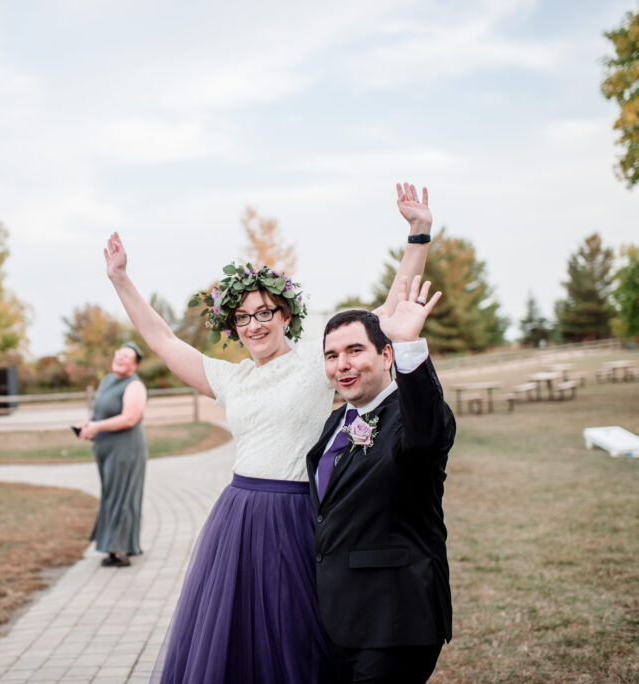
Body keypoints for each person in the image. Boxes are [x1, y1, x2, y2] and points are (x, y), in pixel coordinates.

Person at [102, 183, 433, 682]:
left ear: (284, 315)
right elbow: (161, 338)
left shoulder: (312, 364)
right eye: (242, 318)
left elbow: (388, 314)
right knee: (235, 643)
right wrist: (121, 279)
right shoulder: (228, 378)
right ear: (232, 328)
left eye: (264, 313)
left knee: (294, 637)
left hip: (299, 516)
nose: (253, 325)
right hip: (237, 518)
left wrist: (418, 235)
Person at [306, 276, 455, 683]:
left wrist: (410, 345)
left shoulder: (412, 419)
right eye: (332, 355)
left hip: (395, 618)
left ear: (386, 355)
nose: (343, 364)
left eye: (355, 350)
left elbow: (426, 430)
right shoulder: (337, 422)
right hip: (339, 617)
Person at [78, 342, 149, 568]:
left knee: (123, 495)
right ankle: (112, 545)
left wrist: (98, 427)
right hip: (105, 448)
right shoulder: (107, 380)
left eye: (127, 356)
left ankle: (121, 550)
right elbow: (100, 411)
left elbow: (130, 418)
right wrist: (90, 426)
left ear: (135, 365)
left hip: (125, 449)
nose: (121, 357)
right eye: (119, 353)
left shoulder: (135, 386)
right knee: (111, 495)